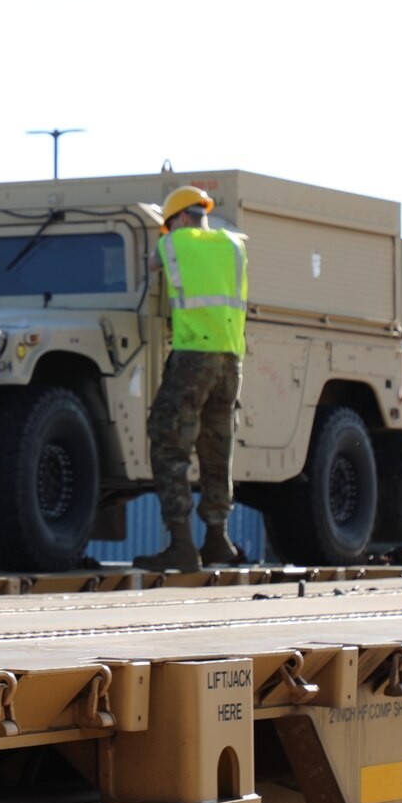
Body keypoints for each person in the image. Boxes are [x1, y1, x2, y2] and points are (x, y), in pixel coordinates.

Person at [137, 185, 248, 569]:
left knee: (169, 443)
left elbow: (150, 265)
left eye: (169, 225)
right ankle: (218, 541)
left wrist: (165, 240)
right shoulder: (234, 246)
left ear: (182, 219)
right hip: (230, 359)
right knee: (218, 449)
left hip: (193, 357)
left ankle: (182, 545)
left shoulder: (175, 244)